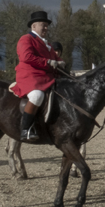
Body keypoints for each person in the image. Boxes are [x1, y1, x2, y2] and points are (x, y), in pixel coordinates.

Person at [10, 11, 64, 141]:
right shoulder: (26, 39)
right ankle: (25, 129)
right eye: (42, 25)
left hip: (46, 77)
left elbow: (56, 58)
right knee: (37, 95)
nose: (45, 28)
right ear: (33, 26)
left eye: (46, 25)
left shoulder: (48, 44)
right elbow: (26, 57)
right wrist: (48, 62)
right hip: (30, 76)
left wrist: (61, 62)